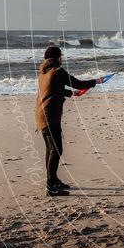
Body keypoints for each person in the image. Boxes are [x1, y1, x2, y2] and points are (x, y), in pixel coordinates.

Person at [35, 46, 103, 197]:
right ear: (57, 57)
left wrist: (71, 93)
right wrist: (96, 81)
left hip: (41, 115)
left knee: (50, 149)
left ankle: (53, 180)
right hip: (50, 116)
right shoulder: (58, 71)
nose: (62, 58)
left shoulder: (43, 72)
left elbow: (51, 89)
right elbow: (77, 83)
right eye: (61, 56)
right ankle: (51, 186)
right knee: (56, 149)